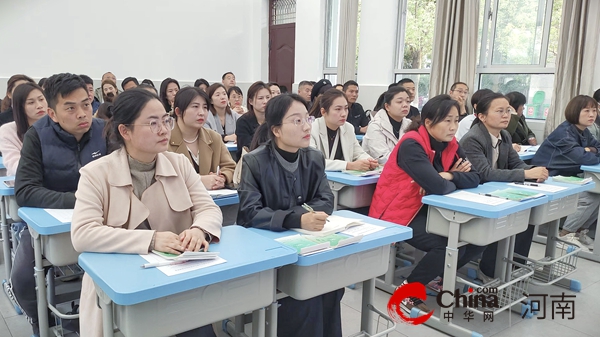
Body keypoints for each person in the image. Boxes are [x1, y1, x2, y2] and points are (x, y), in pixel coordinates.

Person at [71, 88, 222, 337]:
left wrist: (199, 230)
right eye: (153, 123)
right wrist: (151, 240)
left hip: (175, 280)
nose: (164, 129)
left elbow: (207, 208)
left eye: (165, 120)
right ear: (125, 131)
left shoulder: (179, 163)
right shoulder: (96, 173)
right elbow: (83, 234)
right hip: (120, 288)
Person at [237, 93, 341, 337]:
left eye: (308, 119)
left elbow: (326, 199)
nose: (306, 127)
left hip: (308, 245)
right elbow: (250, 213)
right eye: (296, 121)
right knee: (307, 297)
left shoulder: (314, 157)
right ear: (276, 130)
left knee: (332, 288)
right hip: (268, 251)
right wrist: (298, 218)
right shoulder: (254, 162)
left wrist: (298, 216)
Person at [12, 73, 108, 336]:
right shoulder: (37, 135)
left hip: (103, 219)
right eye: (71, 107)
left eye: (86, 105)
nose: (82, 114)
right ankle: (42, 320)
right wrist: (80, 200)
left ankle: (99, 320)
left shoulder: (104, 131)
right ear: (53, 114)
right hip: (50, 225)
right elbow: (25, 190)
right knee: (21, 279)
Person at [369, 95, 482, 313]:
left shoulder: (451, 143)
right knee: (446, 243)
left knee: (476, 237)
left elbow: (475, 177)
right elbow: (437, 187)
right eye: (447, 120)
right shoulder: (412, 144)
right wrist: (444, 180)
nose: (453, 127)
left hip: (428, 208)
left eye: (456, 120)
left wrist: (448, 175)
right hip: (399, 211)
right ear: (429, 122)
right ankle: (409, 289)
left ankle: (436, 276)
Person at [460, 92, 548, 282]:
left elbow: (516, 164)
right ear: (481, 116)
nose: (506, 115)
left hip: (496, 193)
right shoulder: (472, 139)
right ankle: (490, 271)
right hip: (475, 195)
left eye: (507, 110)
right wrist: (526, 174)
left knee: (526, 217)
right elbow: (485, 173)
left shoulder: (505, 135)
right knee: (505, 222)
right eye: (499, 111)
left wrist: (535, 171)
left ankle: (515, 267)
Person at [531, 95, 600, 250]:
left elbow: (596, 148)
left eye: (594, 110)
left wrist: (590, 149)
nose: (592, 114)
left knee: (597, 195)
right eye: (587, 110)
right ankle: (565, 234)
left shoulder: (583, 131)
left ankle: (579, 232)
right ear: (575, 111)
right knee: (590, 196)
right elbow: (585, 158)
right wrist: (588, 151)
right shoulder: (565, 133)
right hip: (549, 175)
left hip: (567, 174)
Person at [309, 89, 377, 171]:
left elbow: (358, 153)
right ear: (323, 112)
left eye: (346, 108)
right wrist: (349, 165)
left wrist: (368, 160)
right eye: (338, 109)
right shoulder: (311, 129)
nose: (344, 114)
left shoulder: (348, 128)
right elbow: (313, 161)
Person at [0, 82, 48, 175]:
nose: (39, 106)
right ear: (19, 107)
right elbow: (14, 165)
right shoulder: (7, 131)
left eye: (41, 99)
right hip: (24, 183)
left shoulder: (58, 125)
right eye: (31, 102)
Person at [362, 86, 412, 164]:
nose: (405, 105)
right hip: (379, 171)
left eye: (408, 101)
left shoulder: (410, 124)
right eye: (399, 102)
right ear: (387, 106)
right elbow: (382, 158)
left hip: (405, 168)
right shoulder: (376, 125)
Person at [235, 81, 271, 158]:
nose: (265, 101)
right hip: (251, 162)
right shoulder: (243, 122)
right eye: (260, 98)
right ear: (250, 101)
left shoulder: (275, 119)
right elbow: (247, 148)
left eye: (268, 97)